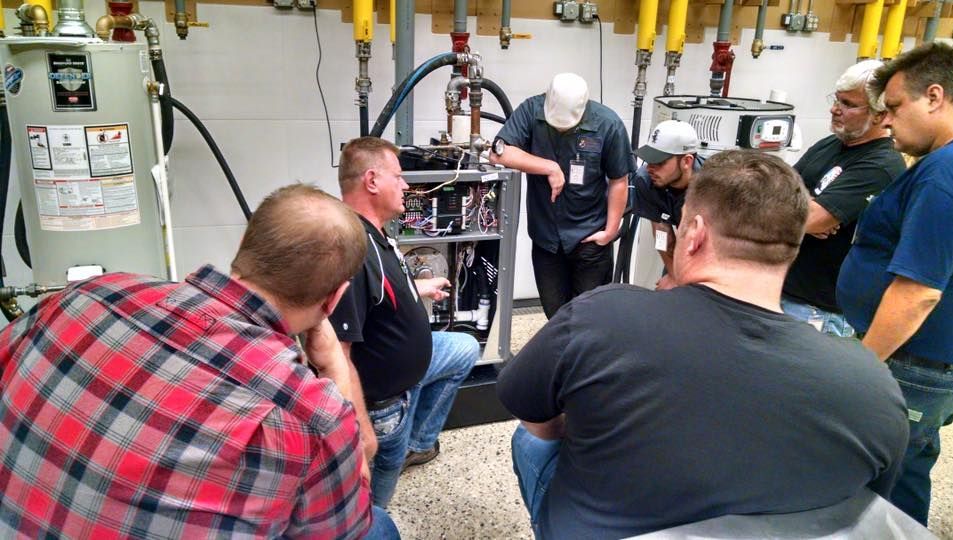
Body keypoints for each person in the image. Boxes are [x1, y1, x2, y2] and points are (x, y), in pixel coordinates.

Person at [498, 150, 908, 539]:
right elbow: (868, 503)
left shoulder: (600, 316)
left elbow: (533, 415)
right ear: (792, 249)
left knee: (529, 441)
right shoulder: (872, 382)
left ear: (693, 235)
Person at [0, 185, 398, 538]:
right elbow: (345, 525)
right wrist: (332, 368)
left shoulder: (90, 293)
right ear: (334, 298)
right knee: (380, 526)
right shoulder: (311, 415)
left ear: (245, 242)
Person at [836, 42, 953, 526]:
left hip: (912, 361)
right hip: (928, 360)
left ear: (934, 96)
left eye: (893, 108)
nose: (885, 122)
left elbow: (919, 290)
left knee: (883, 482)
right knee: (906, 470)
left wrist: (865, 364)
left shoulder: (944, 176)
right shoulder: (942, 167)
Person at [331, 136, 479, 508]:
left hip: (413, 367)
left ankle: (420, 442)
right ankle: (371, 521)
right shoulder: (351, 251)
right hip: (383, 400)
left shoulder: (375, 232)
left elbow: (378, 291)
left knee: (465, 348)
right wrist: (363, 429)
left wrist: (418, 287)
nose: (407, 185)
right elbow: (336, 353)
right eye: (398, 177)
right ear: (372, 181)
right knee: (385, 466)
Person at [489, 73, 634, 318]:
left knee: (590, 317)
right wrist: (549, 167)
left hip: (589, 237)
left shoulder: (608, 124)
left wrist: (610, 231)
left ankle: (586, 357)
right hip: (546, 238)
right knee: (554, 314)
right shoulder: (531, 110)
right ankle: (560, 356)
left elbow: (620, 180)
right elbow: (499, 154)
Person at [782, 60, 905, 336]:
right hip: (786, 290)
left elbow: (813, 218)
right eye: (836, 100)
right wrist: (802, 213)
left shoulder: (880, 164)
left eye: (848, 104)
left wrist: (806, 214)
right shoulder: (832, 144)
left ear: (879, 113)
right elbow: (776, 189)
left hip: (820, 310)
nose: (835, 109)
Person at [630, 119, 704, 288]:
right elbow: (662, 233)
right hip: (680, 254)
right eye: (649, 160)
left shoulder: (712, 186)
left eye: (659, 162)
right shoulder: (646, 180)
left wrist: (686, 284)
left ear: (686, 161)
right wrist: (673, 276)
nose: (650, 168)